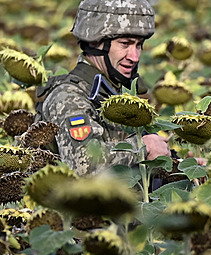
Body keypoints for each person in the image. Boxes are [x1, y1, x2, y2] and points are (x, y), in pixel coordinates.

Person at [34, 0, 171, 176]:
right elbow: (84, 165)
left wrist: (178, 165)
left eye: (139, 45)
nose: (135, 57)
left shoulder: (113, 91)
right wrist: (143, 147)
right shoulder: (69, 96)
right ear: (94, 43)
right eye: (125, 44)